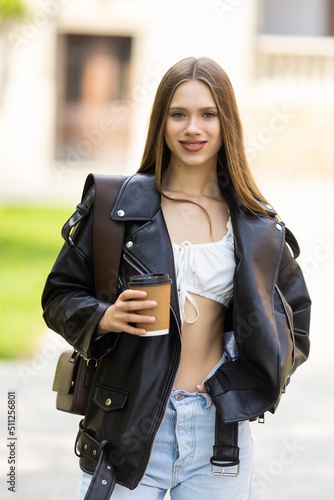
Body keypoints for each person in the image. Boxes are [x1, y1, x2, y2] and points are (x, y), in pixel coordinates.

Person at [42, 57, 311, 500]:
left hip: (219, 440)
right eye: (178, 114)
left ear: (228, 123)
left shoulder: (256, 224)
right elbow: (58, 295)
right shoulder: (118, 205)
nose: (193, 128)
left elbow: (296, 320)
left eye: (208, 114)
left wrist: (242, 384)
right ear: (161, 122)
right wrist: (103, 318)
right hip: (127, 430)